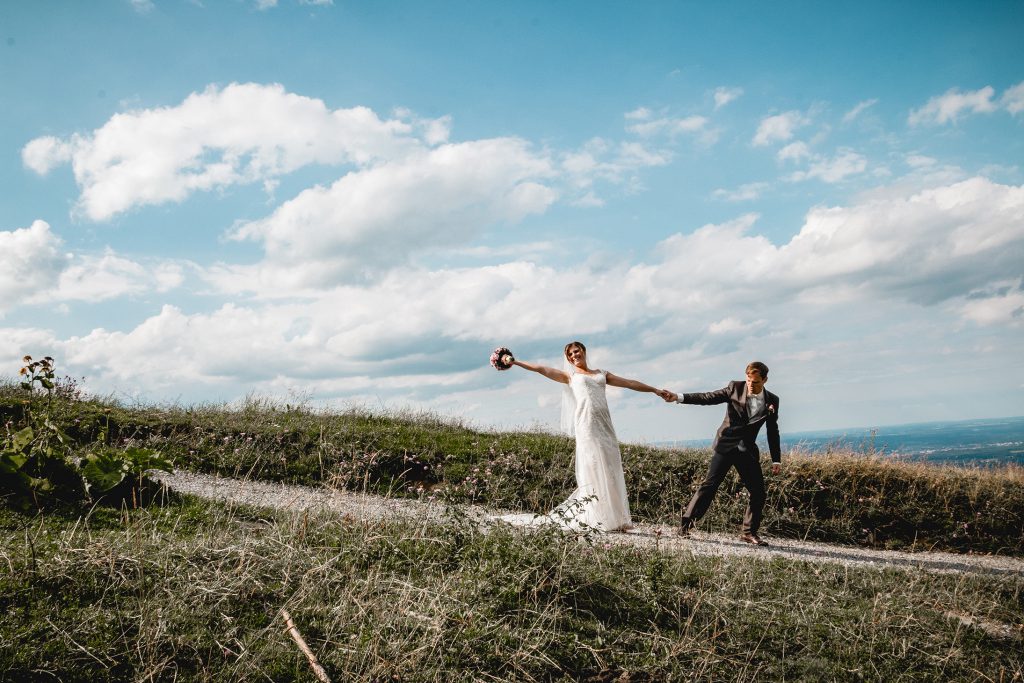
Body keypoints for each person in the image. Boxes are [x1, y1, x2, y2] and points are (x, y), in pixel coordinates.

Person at [504, 341, 674, 532]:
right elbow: (541, 369)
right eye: (570, 354)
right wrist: (516, 362)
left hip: (606, 426)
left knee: (610, 468)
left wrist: (654, 390)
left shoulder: (601, 373)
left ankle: (617, 518)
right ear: (568, 358)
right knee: (593, 467)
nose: (574, 355)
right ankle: (599, 517)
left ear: (584, 351)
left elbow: (629, 383)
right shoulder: (570, 375)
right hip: (586, 426)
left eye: (577, 351)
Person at [663, 361, 781, 546]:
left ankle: (749, 533)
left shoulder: (772, 400)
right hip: (726, 445)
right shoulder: (735, 387)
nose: (751, 385)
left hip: (747, 450)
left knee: (758, 491)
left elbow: (772, 430)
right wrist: (678, 397)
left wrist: (777, 459)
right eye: (749, 380)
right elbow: (707, 397)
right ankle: (685, 527)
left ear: (765, 380)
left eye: (756, 382)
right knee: (709, 486)